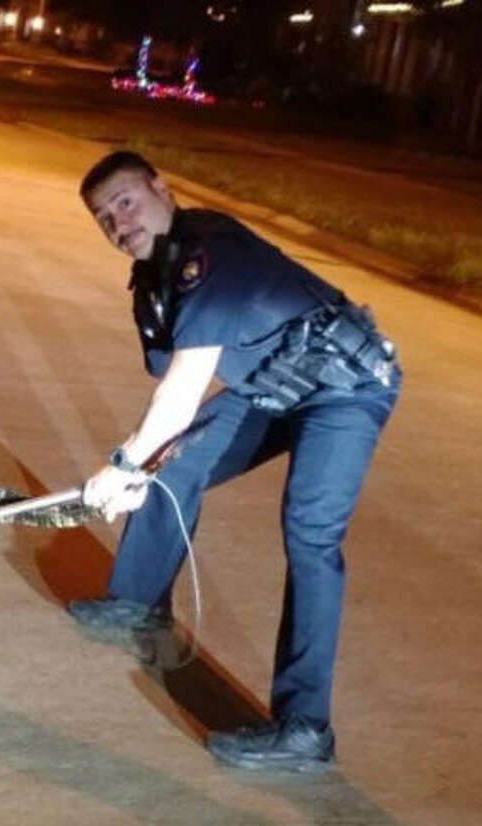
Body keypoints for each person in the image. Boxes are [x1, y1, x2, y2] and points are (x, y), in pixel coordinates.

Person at [71, 151, 400, 772]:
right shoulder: (153, 283)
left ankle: (305, 730)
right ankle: (136, 601)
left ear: (162, 189)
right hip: (278, 383)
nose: (117, 223)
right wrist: (141, 462)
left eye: (125, 202)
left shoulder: (206, 253)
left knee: (310, 535)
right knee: (175, 461)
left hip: (347, 386)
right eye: (103, 217)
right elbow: (168, 395)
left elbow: (182, 388)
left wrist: (122, 465)